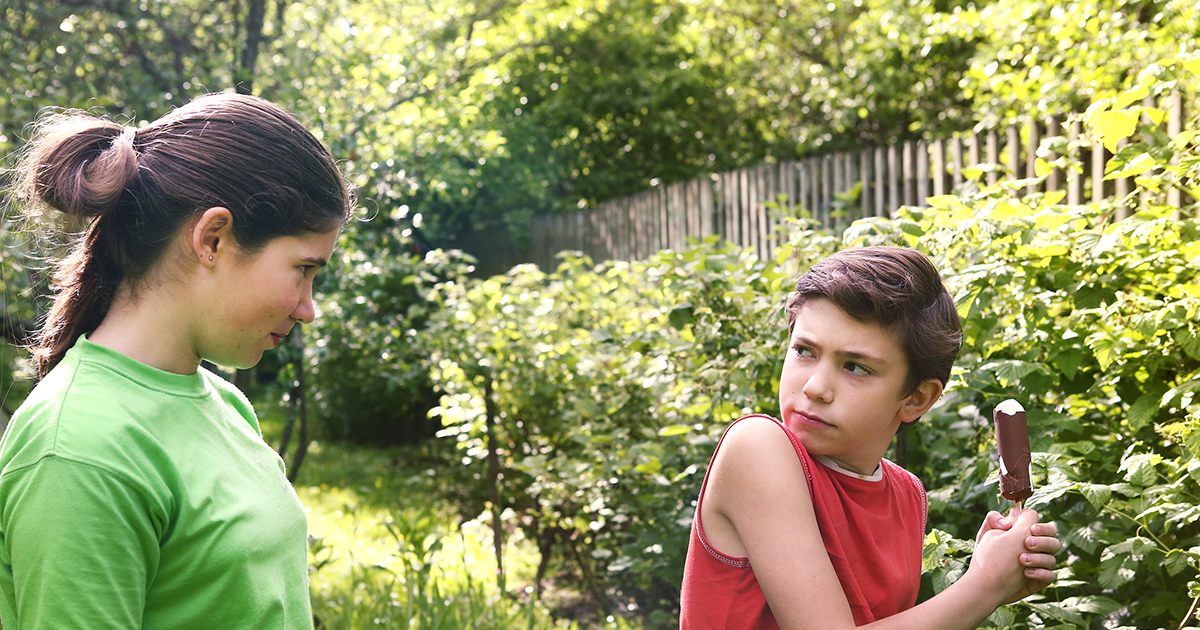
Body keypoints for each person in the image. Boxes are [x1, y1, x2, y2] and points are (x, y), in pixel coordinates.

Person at [0, 92, 352, 628]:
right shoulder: (80, 448)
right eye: (304, 269)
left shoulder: (224, 402)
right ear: (213, 239)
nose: (308, 309)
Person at [679, 246, 1062, 629]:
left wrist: (993, 568)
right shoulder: (756, 447)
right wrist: (983, 585)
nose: (815, 387)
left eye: (855, 368)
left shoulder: (907, 494)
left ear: (916, 398)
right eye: (804, 351)